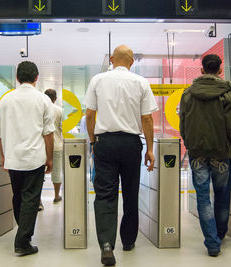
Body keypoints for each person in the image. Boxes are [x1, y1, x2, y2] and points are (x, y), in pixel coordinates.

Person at [84, 45, 158, 266]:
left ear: (112, 59)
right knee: (131, 191)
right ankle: (128, 240)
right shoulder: (141, 82)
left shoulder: (98, 80)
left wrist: (93, 141)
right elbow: (147, 120)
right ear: (132, 62)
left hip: (105, 142)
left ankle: (106, 244)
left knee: (105, 194)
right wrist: (151, 149)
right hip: (130, 144)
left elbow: (89, 115)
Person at [179, 54, 231, 257]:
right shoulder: (228, 93)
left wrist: (189, 144)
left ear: (201, 70)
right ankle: (220, 233)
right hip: (221, 152)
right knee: (222, 195)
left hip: (197, 152)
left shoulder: (188, 94)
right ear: (220, 70)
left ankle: (212, 243)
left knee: (203, 197)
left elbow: (183, 124)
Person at [0, 61, 55, 256]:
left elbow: (0, 134)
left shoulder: (5, 100)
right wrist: (49, 158)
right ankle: (22, 241)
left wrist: (4, 156)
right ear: (37, 78)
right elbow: (48, 133)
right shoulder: (43, 100)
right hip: (34, 157)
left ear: (17, 78)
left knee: (18, 196)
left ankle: (23, 233)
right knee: (31, 198)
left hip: (13, 158)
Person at [44, 89, 63, 204]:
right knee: (56, 172)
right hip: (56, 146)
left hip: (42, 146)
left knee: (39, 174)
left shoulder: (41, 108)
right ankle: (56, 196)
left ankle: (38, 200)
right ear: (55, 99)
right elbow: (63, 129)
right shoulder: (59, 110)